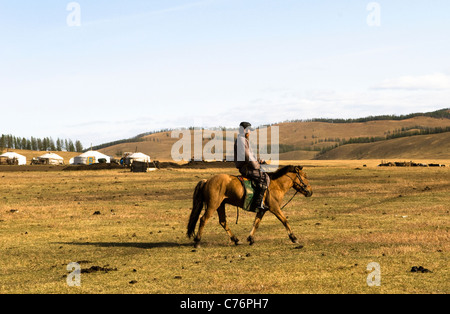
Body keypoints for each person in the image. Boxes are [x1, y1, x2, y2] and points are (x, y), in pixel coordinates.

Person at [234, 122, 270, 212]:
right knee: (265, 178)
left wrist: (259, 161)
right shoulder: (241, 140)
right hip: (246, 168)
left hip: (249, 166)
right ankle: (257, 203)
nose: (250, 132)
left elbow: (250, 156)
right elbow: (247, 157)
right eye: (249, 130)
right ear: (245, 130)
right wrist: (257, 166)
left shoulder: (243, 140)